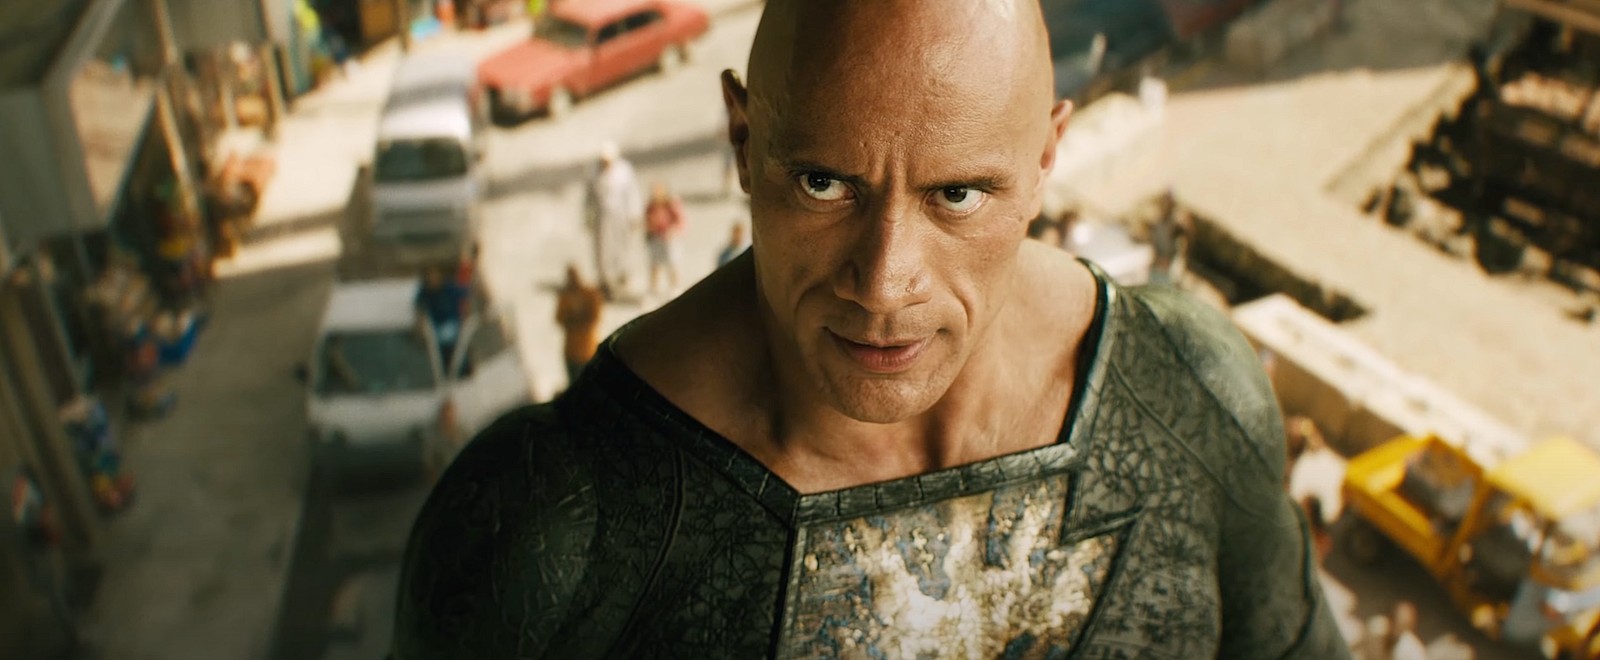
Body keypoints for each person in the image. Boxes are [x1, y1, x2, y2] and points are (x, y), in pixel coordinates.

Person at [393, 1, 1346, 657]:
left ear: (1046, 161)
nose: (885, 283)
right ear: (742, 141)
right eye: (823, 183)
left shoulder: (1190, 386)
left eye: (958, 194)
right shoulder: (546, 523)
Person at [585, 140, 643, 301]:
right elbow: (589, 198)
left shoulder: (624, 171)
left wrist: (634, 214)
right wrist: (588, 217)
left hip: (621, 214)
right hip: (602, 217)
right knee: (603, 249)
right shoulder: (593, 171)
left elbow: (632, 193)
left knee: (622, 246)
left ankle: (623, 276)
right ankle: (605, 282)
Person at [555, 264, 604, 385]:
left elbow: (595, 318)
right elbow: (559, 318)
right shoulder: (565, 297)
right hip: (572, 351)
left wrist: (576, 319)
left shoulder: (590, 294)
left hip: (587, 350)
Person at [414, 266, 470, 364]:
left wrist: (465, 315)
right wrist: (420, 326)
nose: (433, 280)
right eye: (430, 278)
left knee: (454, 346)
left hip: (452, 324)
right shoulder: (425, 292)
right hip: (437, 328)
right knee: (440, 350)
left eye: (435, 277)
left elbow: (467, 293)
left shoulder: (449, 288)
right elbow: (418, 307)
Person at [644, 182, 687, 297]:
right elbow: (647, 219)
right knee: (655, 263)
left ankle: (675, 286)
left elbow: (679, 220)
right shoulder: (651, 206)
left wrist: (673, 231)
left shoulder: (671, 204)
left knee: (672, 263)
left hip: (670, 239)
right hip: (656, 237)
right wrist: (649, 229)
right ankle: (653, 288)